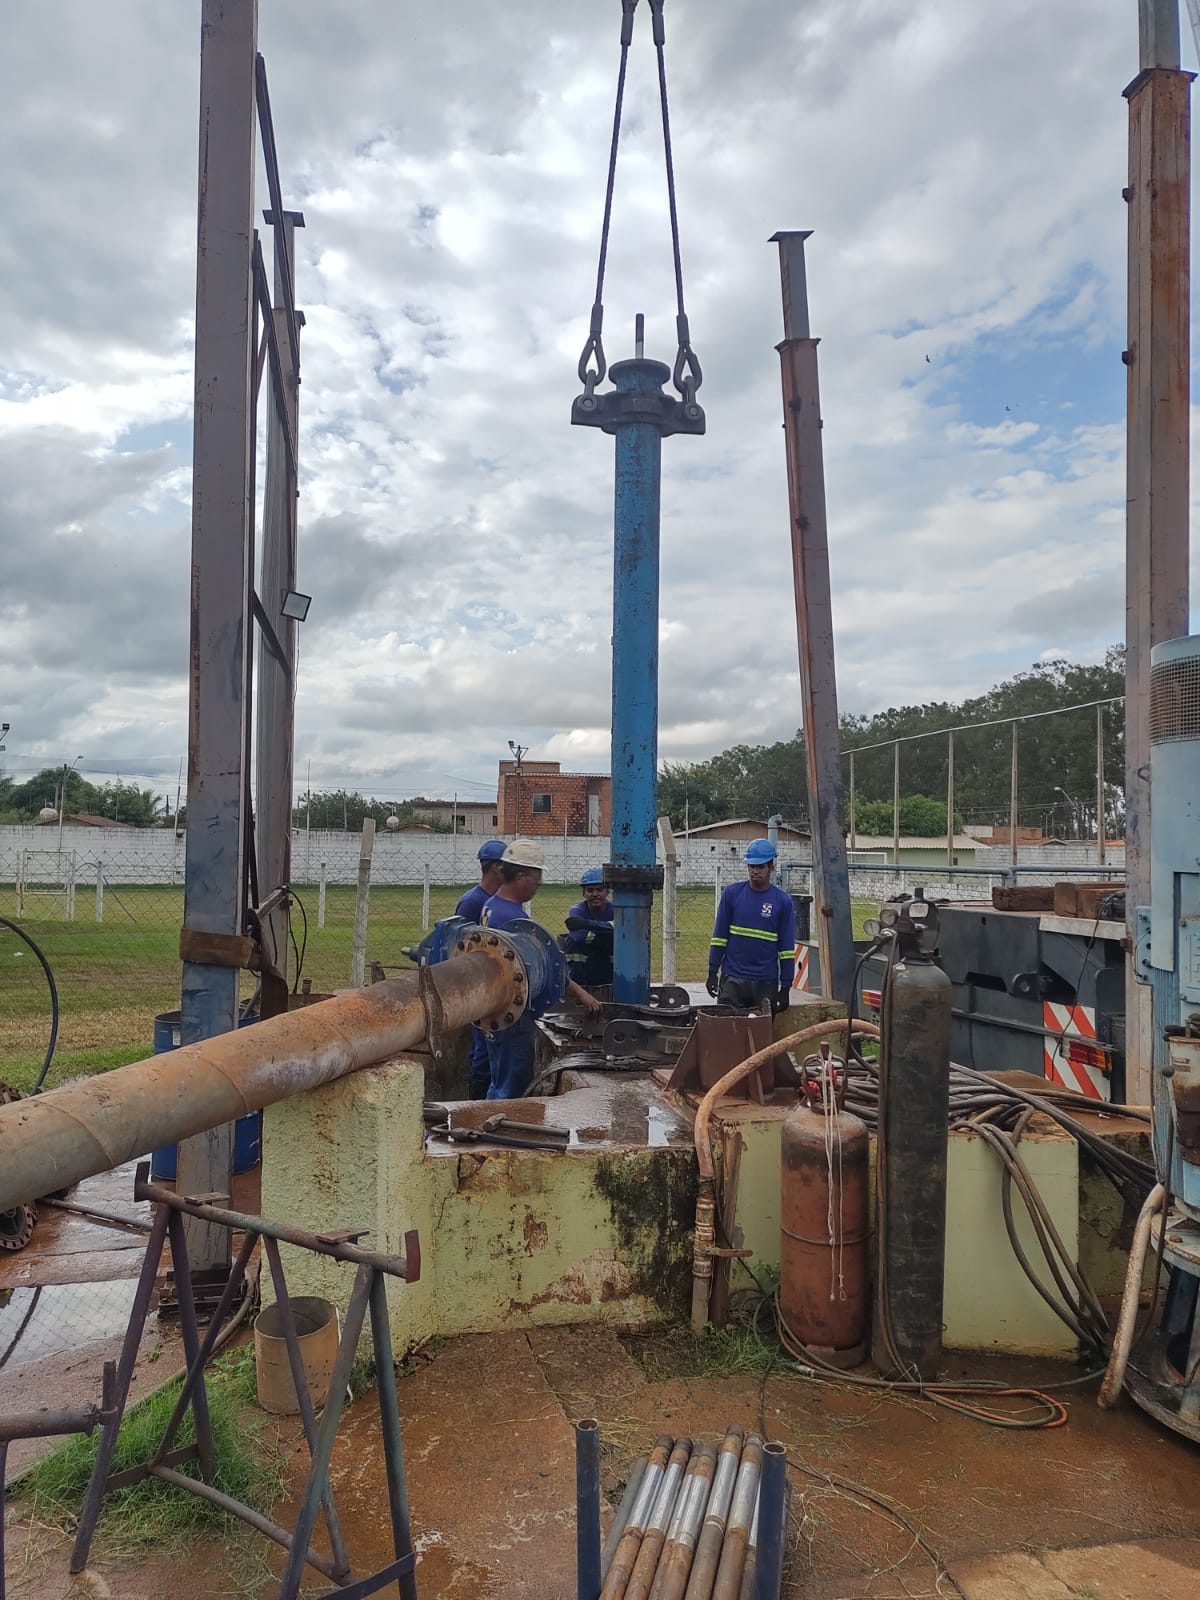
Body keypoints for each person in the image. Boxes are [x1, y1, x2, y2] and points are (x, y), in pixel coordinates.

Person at [481, 840, 601, 1098]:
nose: (539, 885)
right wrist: (581, 994)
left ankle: (494, 1118)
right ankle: (505, 1129)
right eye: (536, 879)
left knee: (500, 1077)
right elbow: (540, 968)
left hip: (496, 1006)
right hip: (513, 1011)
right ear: (521, 876)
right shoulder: (512, 919)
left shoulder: (492, 905)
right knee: (514, 1080)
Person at [707, 838, 796, 1014]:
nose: (755, 871)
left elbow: (786, 949)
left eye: (760, 866)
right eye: (751, 866)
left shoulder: (783, 902)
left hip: (765, 982)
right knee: (725, 1032)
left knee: (761, 1036)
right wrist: (712, 971)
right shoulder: (732, 894)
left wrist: (786, 987)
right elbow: (719, 937)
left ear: (770, 867)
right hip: (732, 979)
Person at [454, 840, 507, 1098]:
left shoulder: (493, 900)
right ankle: (474, 1101)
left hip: (493, 987)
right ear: (496, 867)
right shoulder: (473, 902)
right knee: (482, 1052)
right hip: (478, 988)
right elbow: (461, 948)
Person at [563, 866, 614, 990]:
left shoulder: (615, 909)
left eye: (599, 890)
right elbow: (579, 937)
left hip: (607, 961)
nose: (595, 894)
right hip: (582, 966)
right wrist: (607, 935)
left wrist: (586, 924)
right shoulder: (576, 911)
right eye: (590, 890)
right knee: (572, 943)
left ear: (607, 891)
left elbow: (621, 928)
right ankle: (578, 989)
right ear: (584, 893)